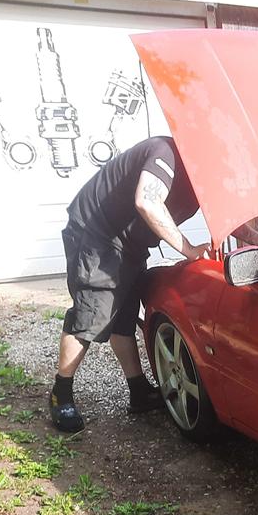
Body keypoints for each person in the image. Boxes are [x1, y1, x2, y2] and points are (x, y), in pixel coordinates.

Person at [49, 135, 205, 432]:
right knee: (91, 314)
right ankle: (61, 393)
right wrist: (189, 249)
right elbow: (147, 201)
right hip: (98, 235)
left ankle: (138, 390)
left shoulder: (206, 179)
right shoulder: (166, 153)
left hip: (131, 243)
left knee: (125, 316)